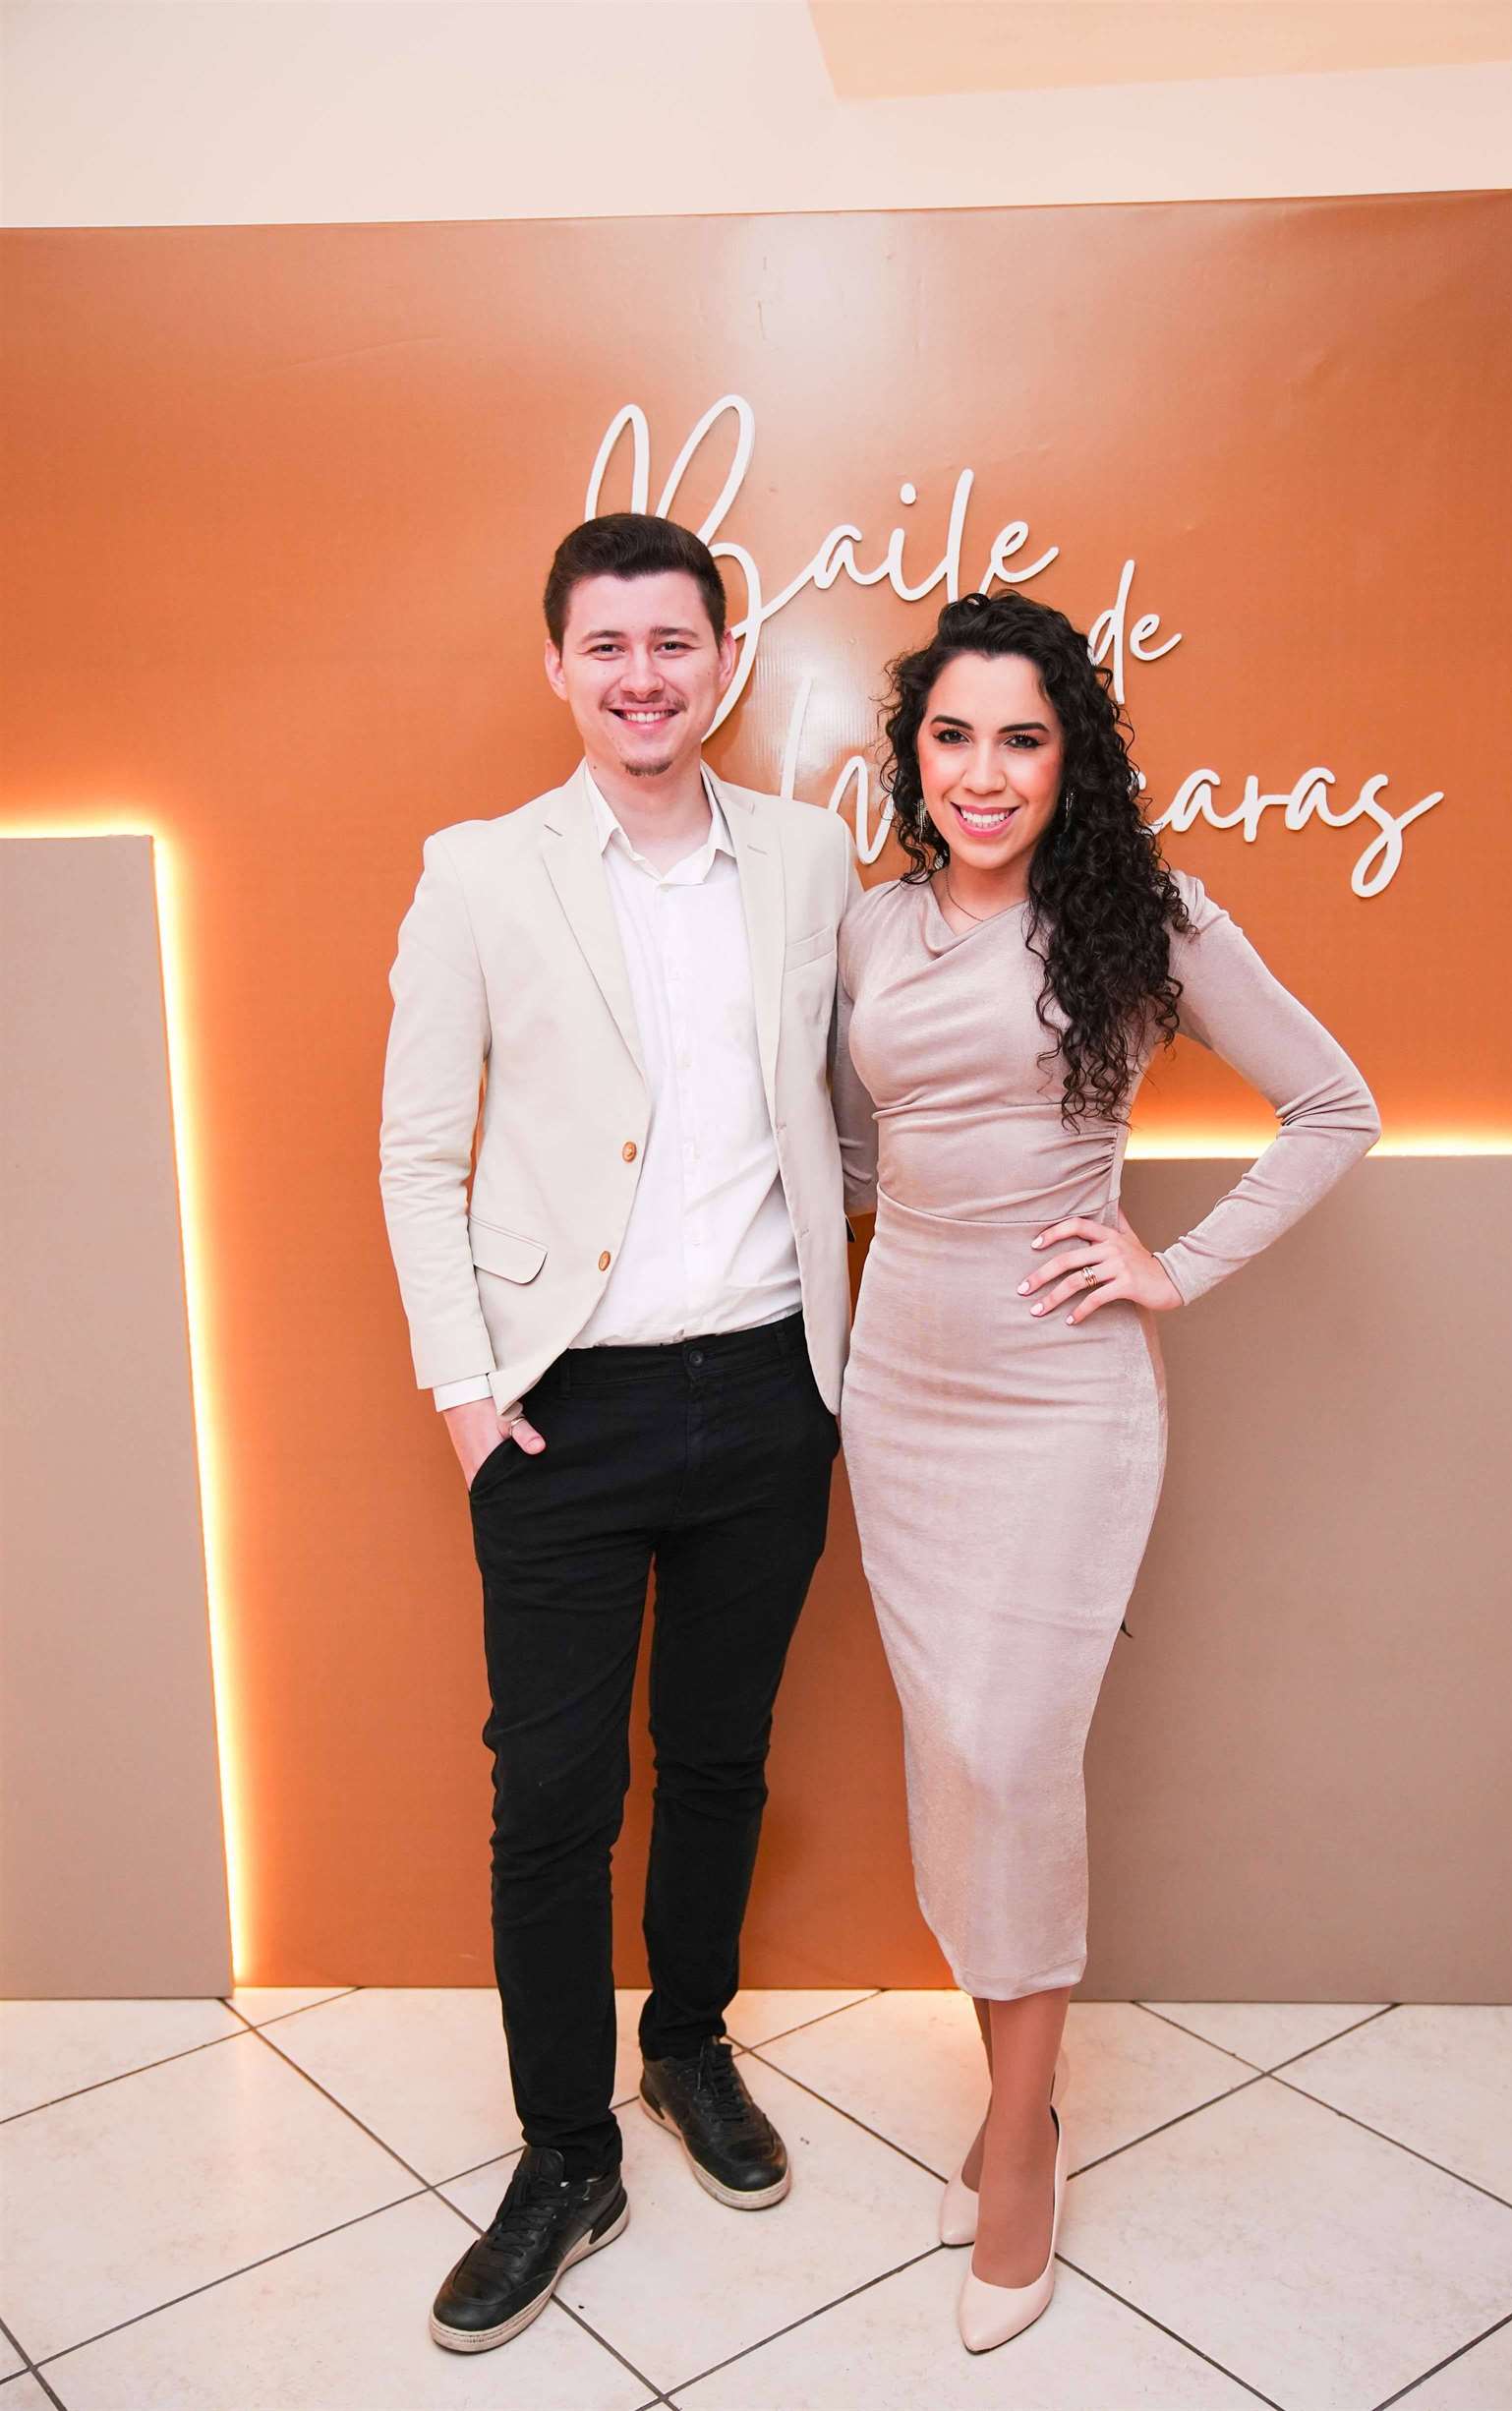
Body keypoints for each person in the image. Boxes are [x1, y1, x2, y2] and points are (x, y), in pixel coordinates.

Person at [832, 589, 1381, 2354]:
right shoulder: (869, 927)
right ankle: (1026, 2104)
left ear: (1072, 760)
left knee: (1015, 1754)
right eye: (953, 736)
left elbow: (1337, 1107)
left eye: (1024, 738)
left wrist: (1172, 1266)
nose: (984, 773)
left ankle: (1017, 2146)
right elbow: (858, 1150)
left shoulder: (1149, 919)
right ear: (915, 754)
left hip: (1063, 1396)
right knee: (954, 1761)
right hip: (900, 1392)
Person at [379, 512, 858, 2355]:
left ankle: (687, 2047)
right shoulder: (477, 872)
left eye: (675, 642)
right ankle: (565, 2153)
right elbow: (420, 1152)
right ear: (559, 667)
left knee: (720, 1757)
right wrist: (467, 1395)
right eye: (609, 646)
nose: (644, 676)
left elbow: (848, 1109)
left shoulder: (809, 857)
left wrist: (851, 1341)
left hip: (767, 1391)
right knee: (554, 1802)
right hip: (558, 1411)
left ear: (724, 660)